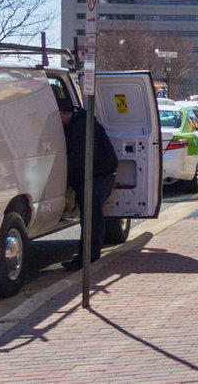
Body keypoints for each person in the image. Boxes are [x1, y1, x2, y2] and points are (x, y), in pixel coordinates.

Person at [59, 96, 118, 270]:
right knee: (90, 216)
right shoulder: (79, 123)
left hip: (98, 175)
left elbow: (79, 158)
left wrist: (65, 177)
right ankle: (86, 256)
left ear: (62, 113)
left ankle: (88, 257)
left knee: (91, 216)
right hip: (95, 173)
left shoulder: (82, 127)